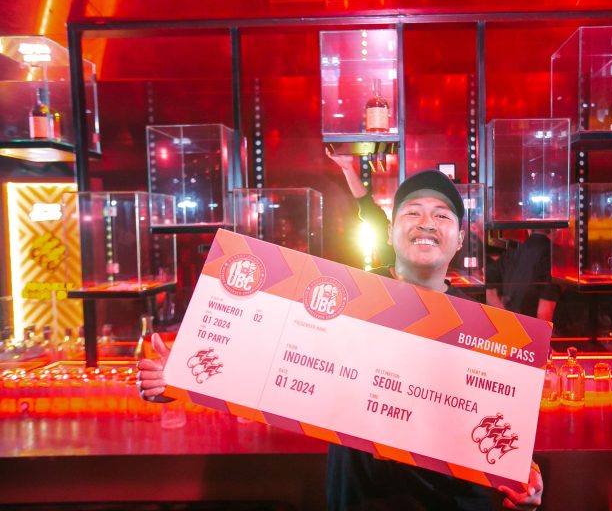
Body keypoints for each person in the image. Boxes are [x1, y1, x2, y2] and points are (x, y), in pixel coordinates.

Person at [137, 170, 543, 510]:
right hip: (362, 498)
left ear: (459, 238)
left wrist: (525, 478)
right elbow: (268, 358)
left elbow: (502, 429)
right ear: (390, 232)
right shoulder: (347, 298)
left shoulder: (489, 329)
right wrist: (183, 374)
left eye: (442, 215)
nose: (426, 222)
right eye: (413, 212)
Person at [485, 230, 558, 322]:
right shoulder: (554, 255)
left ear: (529, 230)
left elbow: (488, 281)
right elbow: (545, 310)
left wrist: (505, 317)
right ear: (556, 231)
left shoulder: (512, 252)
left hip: (511, 325)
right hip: (534, 327)